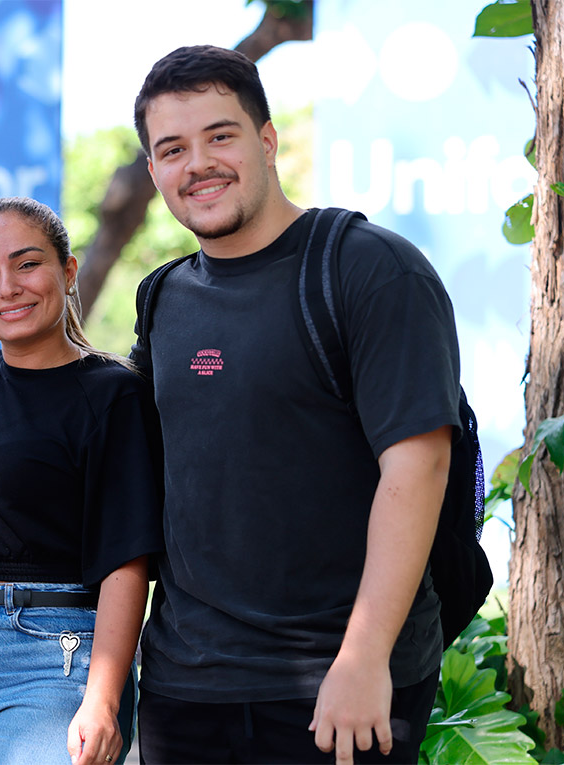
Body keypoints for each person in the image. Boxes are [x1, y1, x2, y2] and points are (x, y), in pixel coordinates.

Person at [129, 45, 459, 765]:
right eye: (172, 149)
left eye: (221, 136)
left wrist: (364, 657)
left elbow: (420, 464)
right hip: (186, 685)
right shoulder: (162, 296)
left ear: (268, 140)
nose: (198, 164)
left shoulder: (368, 267)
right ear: (153, 170)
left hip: (338, 680)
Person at [0, 197, 163, 765]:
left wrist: (103, 699)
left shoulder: (112, 394)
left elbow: (128, 563)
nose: (7, 287)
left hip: (55, 657)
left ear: (67, 271)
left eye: (27, 264)